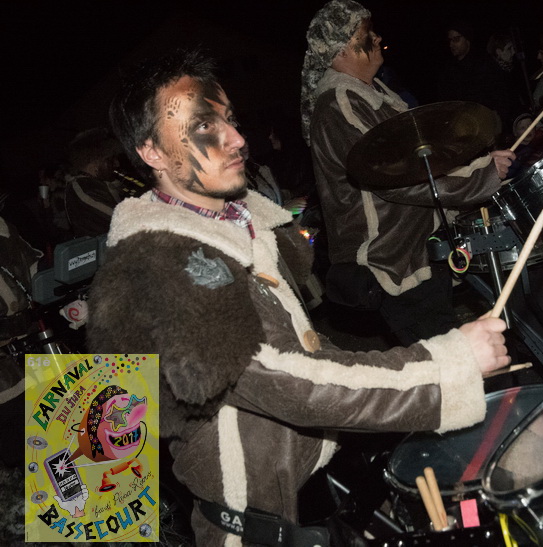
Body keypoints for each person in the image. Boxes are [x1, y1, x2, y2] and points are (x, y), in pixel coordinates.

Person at [89, 47, 510, 546]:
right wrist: (446, 365)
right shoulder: (159, 262)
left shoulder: (233, 224)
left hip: (310, 488)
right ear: (152, 152)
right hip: (251, 526)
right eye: (203, 126)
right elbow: (284, 379)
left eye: (230, 119)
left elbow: (309, 352)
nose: (237, 139)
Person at [302, 0, 515, 345]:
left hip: (417, 245)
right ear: (340, 51)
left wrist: (477, 162)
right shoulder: (340, 104)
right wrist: (481, 176)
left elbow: (418, 160)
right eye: (366, 34)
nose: (377, 38)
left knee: (457, 345)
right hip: (390, 256)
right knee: (446, 359)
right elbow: (395, 180)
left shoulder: (371, 91)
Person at [63, 127, 124, 237]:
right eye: (110, 160)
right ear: (95, 162)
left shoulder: (94, 184)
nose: (117, 164)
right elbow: (122, 219)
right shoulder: (84, 187)